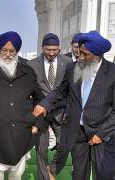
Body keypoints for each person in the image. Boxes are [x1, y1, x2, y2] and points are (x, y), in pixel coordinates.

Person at [33, 31, 115, 180]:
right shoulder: (73, 68)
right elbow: (60, 91)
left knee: (104, 174)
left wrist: (102, 133)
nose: (80, 57)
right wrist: (44, 104)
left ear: (97, 55)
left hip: (102, 133)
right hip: (77, 131)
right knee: (79, 174)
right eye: (79, 52)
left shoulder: (112, 72)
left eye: (85, 54)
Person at [0, 31, 46, 180]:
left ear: (17, 51)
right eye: (4, 50)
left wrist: (37, 124)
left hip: (22, 134)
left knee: (16, 175)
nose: (7, 54)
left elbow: (40, 100)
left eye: (12, 51)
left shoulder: (28, 72)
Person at [27, 33, 72, 180]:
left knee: (65, 145)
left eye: (55, 50)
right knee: (41, 149)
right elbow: (29, 91)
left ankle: (51, 171)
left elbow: (69, 89)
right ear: (42, 48)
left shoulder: (68, 62)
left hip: (60, 111)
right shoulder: (32, 65)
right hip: (40, 113)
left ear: (59, 48)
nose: (51, 53)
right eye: (48, 50)